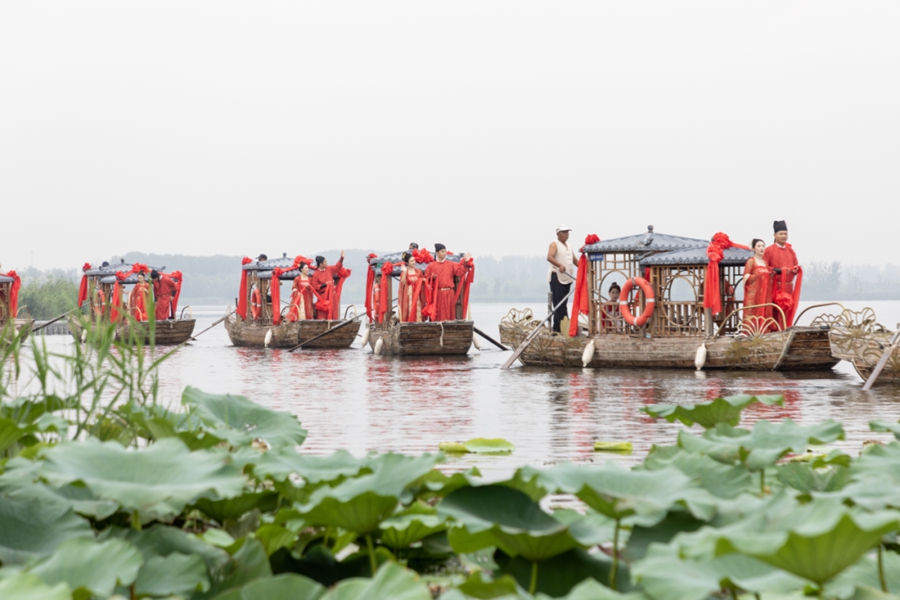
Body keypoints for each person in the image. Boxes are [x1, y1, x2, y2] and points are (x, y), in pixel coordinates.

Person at [763, 221, 800, 329]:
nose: (784, 236)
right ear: (775, 235)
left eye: (785, 234)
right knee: (775, 310)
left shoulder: (790, 251)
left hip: (788, 287)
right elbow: (764, 267)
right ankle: (775, 332)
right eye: (781, 234)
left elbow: (795, 264)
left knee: (787, 310)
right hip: (775, 286)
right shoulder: (769, 250)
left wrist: (795, 269)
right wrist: (778, 270)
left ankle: (786, 328)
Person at [424, 244, 472, 322]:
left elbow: (460, 272)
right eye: (442, 251)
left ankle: (449, 329)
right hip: (438, 294)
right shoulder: (431, 266)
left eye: (445, 251)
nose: (445, 253)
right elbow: (426, 279)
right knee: (438, 313)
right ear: (437, 253)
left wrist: (466, 262)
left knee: (449, 313)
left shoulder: (451, 264)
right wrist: (432, 278)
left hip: (449, 293)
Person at [547, 226, 576, 333]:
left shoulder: (569, 246)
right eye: (564, 232)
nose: (566, 234)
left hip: (567, 278)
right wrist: (559, 265)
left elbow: (574, 260)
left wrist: (586, 268)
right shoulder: (554, 243)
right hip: (557, 276)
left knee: (563, 304)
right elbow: (550, 257)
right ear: (558, 234)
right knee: (559, 303)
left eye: (567, 232)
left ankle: (557, 328)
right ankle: (566, 327)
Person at [743, 238, 775, 327]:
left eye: (763, 246)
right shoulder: (751, 261)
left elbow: (768, 276)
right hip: (754, 294)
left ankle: (764, 330)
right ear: (753, 249)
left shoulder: (765, 262)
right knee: (753, 313)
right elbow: (746, 276)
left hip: (764, 294)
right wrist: (759, 276)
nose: (761, 248)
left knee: (765, 310)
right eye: (759, 246)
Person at [311, 250, 347, 320]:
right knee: (323, 314)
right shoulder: (316, 274)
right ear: (320, 264)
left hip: (332, 295)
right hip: (323, 297)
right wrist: (325, 285)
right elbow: (315, 286)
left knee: (333, 312)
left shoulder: (329, 269)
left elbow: (337, 267)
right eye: (325, 262)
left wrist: (341, 258)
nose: (326, 263)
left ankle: (334, 324)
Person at [398, 252, 427, 322]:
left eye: (414, 260)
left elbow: (422, 282)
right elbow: (403, 283)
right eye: (411, 261)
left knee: (418, 309)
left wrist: (423, 280)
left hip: (417, 295)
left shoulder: (419, 272)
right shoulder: (404, 272)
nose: (414, 262)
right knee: (409, 309)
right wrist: (405, 272)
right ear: (407, 263)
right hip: (409, 294)